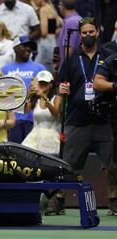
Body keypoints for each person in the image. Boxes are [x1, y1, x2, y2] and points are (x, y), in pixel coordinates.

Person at [48, 17, 116, 216]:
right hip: (76, 120)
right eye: (84, 32)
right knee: (68, 165)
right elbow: (62, 87)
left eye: (91, 32)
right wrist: (61, 91)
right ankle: (58, 201)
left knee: (112, 165)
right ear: (80, 34)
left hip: (105, 120)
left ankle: (114, 201)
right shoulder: (71, 59)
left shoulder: (110, 56)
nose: (87, 35)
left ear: (97, 32)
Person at [1, 35, 46, 143]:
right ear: (15, 47)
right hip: (13, 119)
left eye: (29, 46)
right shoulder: (5, 69)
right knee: (14, 154)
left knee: (31, 154)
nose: (28, 48)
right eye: (24, 46)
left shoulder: (39, 68)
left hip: (33, 118)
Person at [93, 53, 117, 216]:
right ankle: (114, 201)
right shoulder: (113, 60)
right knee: (113, 162)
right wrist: (115, 86)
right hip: (114, 119)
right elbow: (97, 82)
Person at [22, 70, 61, 155]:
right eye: (40, 82)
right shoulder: (35, 99)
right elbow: (25, 111)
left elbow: (55, 114)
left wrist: (44, 97)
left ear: (51, 84)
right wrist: (29, 95)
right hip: (35, 135)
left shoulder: (57, 98)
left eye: (45, 82)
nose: (42, 85)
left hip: (51, 136)